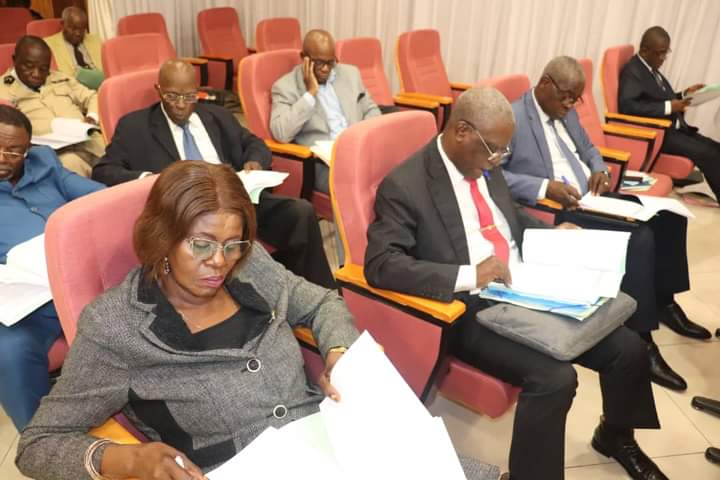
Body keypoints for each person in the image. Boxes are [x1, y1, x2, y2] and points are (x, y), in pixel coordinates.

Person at [16, 160, 499, 480]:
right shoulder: (115, 325)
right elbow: (37, 445)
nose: (219, 262)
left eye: (233, 244)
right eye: (201, 244)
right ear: (161, 235)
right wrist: (127, 459)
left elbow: (320, 302)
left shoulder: (249, 265)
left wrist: (337, 349)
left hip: (334, 443)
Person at [365, 87, 667, 480]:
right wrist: (470, 274)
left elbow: (508, 219)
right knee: (555, 379)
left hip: (525, 282)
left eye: (502, 150)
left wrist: (551, 232)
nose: (498, 160)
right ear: (461, 131)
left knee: (628, 347)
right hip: (471, 306)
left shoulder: (484, 160)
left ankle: (615, 436)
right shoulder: (406, 185)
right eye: (493, 150)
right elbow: (381, 265)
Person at [501, 56, 709, 392]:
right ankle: (642, 341)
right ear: (545, 83)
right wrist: (543, 187)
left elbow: (588, 147)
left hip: (593, 196)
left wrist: (599, 168)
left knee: (669, 216)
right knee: (639, 238)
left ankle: (664, 303)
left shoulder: (566, 110)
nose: (570, 105)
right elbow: (494, 175)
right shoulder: (513, 117)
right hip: (560, 208)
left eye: (576, 99)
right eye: (565, 97)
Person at [92, 60, 336, 289]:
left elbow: (254, 143)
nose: (180, 105)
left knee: (301, 213)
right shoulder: (135, 126)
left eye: (189, 96)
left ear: (198, 92)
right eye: (172, 96)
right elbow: (104, 170)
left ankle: (321, 295)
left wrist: (254, 161)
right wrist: (149, 180)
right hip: (190, 215)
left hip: (238, 199)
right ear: (159, 90)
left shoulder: (217, 116)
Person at [0, 105, 104, 431]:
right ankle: (41, 438)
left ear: (27, 151)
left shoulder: (44, 163)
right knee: (10, 351)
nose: (2, 158)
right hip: (27, 301)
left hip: (82, 280)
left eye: (13, 151)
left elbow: (100, 199)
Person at [270, 29, 381, 194]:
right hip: (324, 165)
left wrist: (364, 139)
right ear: (304, 58)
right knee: (363, 188)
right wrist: (310, 94)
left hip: (358, 152)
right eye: (319, 63)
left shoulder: (351, 74)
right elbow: (280, 132)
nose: (325, 69)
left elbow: (371, 110)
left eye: (330, 62)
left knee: (395, 174)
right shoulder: (285, 87)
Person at [618, 26, 720, 201]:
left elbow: (659, 97)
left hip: (674, 129)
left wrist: (684, 94)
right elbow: (629, 106)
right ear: (644, 50)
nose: (663, 58)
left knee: (716, 148)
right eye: (660, 53)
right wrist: (669, 107)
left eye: (666, 53)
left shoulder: (650, 68)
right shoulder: (632, 72)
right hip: (659, 134)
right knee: (709, 154)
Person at [0, 36, 105, 177]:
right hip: (54, 154)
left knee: (121, 155)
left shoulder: (60, 78)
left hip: (89, 142)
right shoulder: (3, 91)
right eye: (29, 67)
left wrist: (92, 117)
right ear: (14, 60)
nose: (36, 74)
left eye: (43, 69)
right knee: (73, 166)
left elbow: (92, 96)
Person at [44, 6, 105, 90]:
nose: (78, 33)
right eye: (73, 28)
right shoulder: (48, 44)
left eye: (82, 29)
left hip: (101, 86)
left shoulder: (96, 40)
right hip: (72, 89)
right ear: (62, 24)